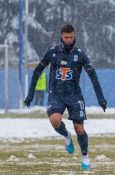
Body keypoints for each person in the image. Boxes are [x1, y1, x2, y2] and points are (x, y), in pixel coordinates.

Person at [24, 24, 107, 171]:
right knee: (55, 121)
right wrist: (30, 95)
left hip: (74, 95)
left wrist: (100, 98)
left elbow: (93, 76)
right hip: (56, 94)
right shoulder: (52, 52)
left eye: (71, 37)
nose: (69, 40)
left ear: (74, 36)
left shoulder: (80, 55)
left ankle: (85, 157)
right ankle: (67, 135)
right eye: (66, 37)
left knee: (79, 129)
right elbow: (37, 72)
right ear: (61, 36)